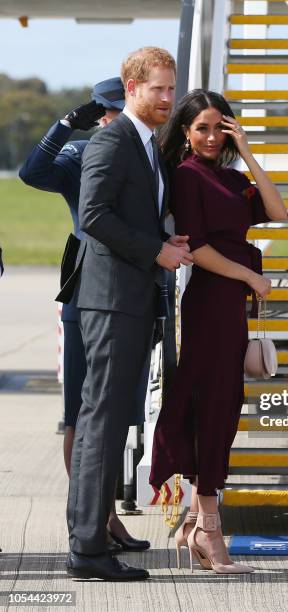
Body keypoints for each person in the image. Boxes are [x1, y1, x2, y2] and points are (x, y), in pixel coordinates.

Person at [64, 47, 193, 582]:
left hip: (130, 298)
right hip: (112, 300)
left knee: (110, 424)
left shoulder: (145, 144)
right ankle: (88, 549)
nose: (167, 98)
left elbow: (129, 214)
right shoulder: (112, 140)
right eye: (157, 89)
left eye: (171, 89)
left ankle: (90, 540)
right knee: (102, 423)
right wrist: (154, 250)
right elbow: (92, 215)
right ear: (131, 85)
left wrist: (164, 240)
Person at [149, 89, 288, 574]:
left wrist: (246, 151)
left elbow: (277, 211)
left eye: (218, 127)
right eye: (201, 128)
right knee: (211, 406)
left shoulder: (232, 177)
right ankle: (208, 528)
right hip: (211, 299)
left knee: (225, 405)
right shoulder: (187, 178)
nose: (210, 137)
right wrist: (250, 276)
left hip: (233, 305)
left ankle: (196, 522)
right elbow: (198, 248)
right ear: (185, 134)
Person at [18, 78, 150, 555]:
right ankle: (98, 518)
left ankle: (105, 514)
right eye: (110, 112)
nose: (119, 120)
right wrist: (66, 123)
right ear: (100, 115)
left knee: (121, 411)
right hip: (87, 285)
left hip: (136, 286)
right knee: (81, 409)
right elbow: (32, 173)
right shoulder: (81, 154)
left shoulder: (149, 153)